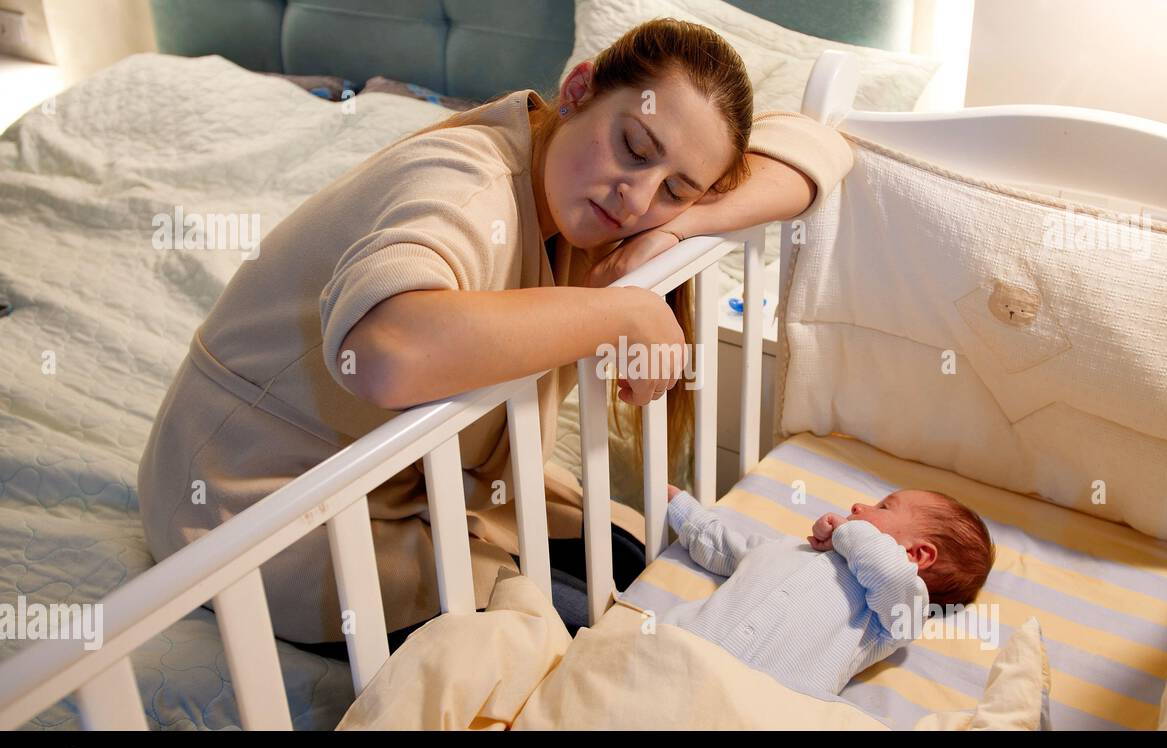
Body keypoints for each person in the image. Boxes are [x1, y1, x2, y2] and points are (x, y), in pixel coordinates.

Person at [137, 18, 855, 647]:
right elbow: (383, 354)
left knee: (644, 567)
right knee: (594, 638)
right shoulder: (470, 183)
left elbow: (818, 149)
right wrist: (625, 311)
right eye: (634, 147)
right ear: (577, 89)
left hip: (415, 483)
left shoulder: (598, 202)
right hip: (249, 504)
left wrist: (679, 227)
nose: (636, 197)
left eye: (675, 185)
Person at [661, 484, 994, 694]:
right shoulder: (791, 548)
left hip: (762, 705)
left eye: (883, 507)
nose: (859, 507)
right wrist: (678, 505)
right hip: (682, 652)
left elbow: (888, 571)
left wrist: (846, 532)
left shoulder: (895, 614)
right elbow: (723, 547)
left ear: (916, 554)